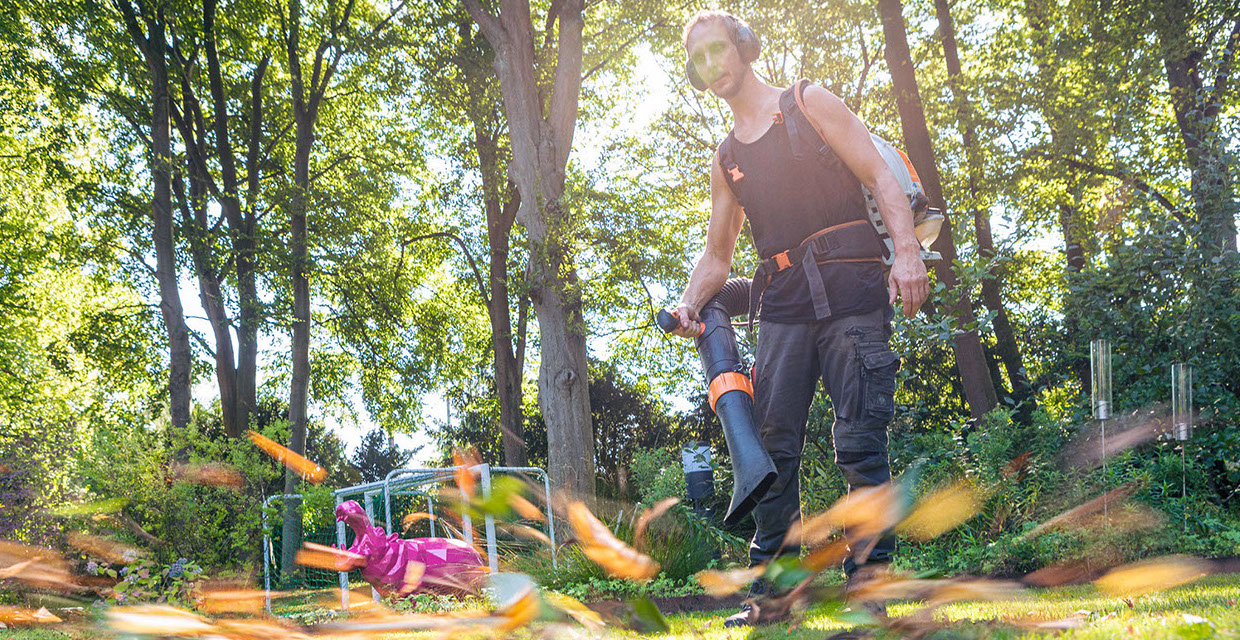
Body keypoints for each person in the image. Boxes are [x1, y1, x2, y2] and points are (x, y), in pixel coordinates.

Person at [671, 10, 930, 626]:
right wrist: (689, 302)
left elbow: (879, 175)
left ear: (744, 46)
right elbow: (717, 255)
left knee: (860, 444)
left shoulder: (808, 102)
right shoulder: (727, 157)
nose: (711, 66)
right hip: (783, 303)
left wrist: (908, 253)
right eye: (699, 60)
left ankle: (869, 589)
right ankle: (776, 598)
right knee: (771, 450)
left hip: (852, 289)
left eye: (718, 50)